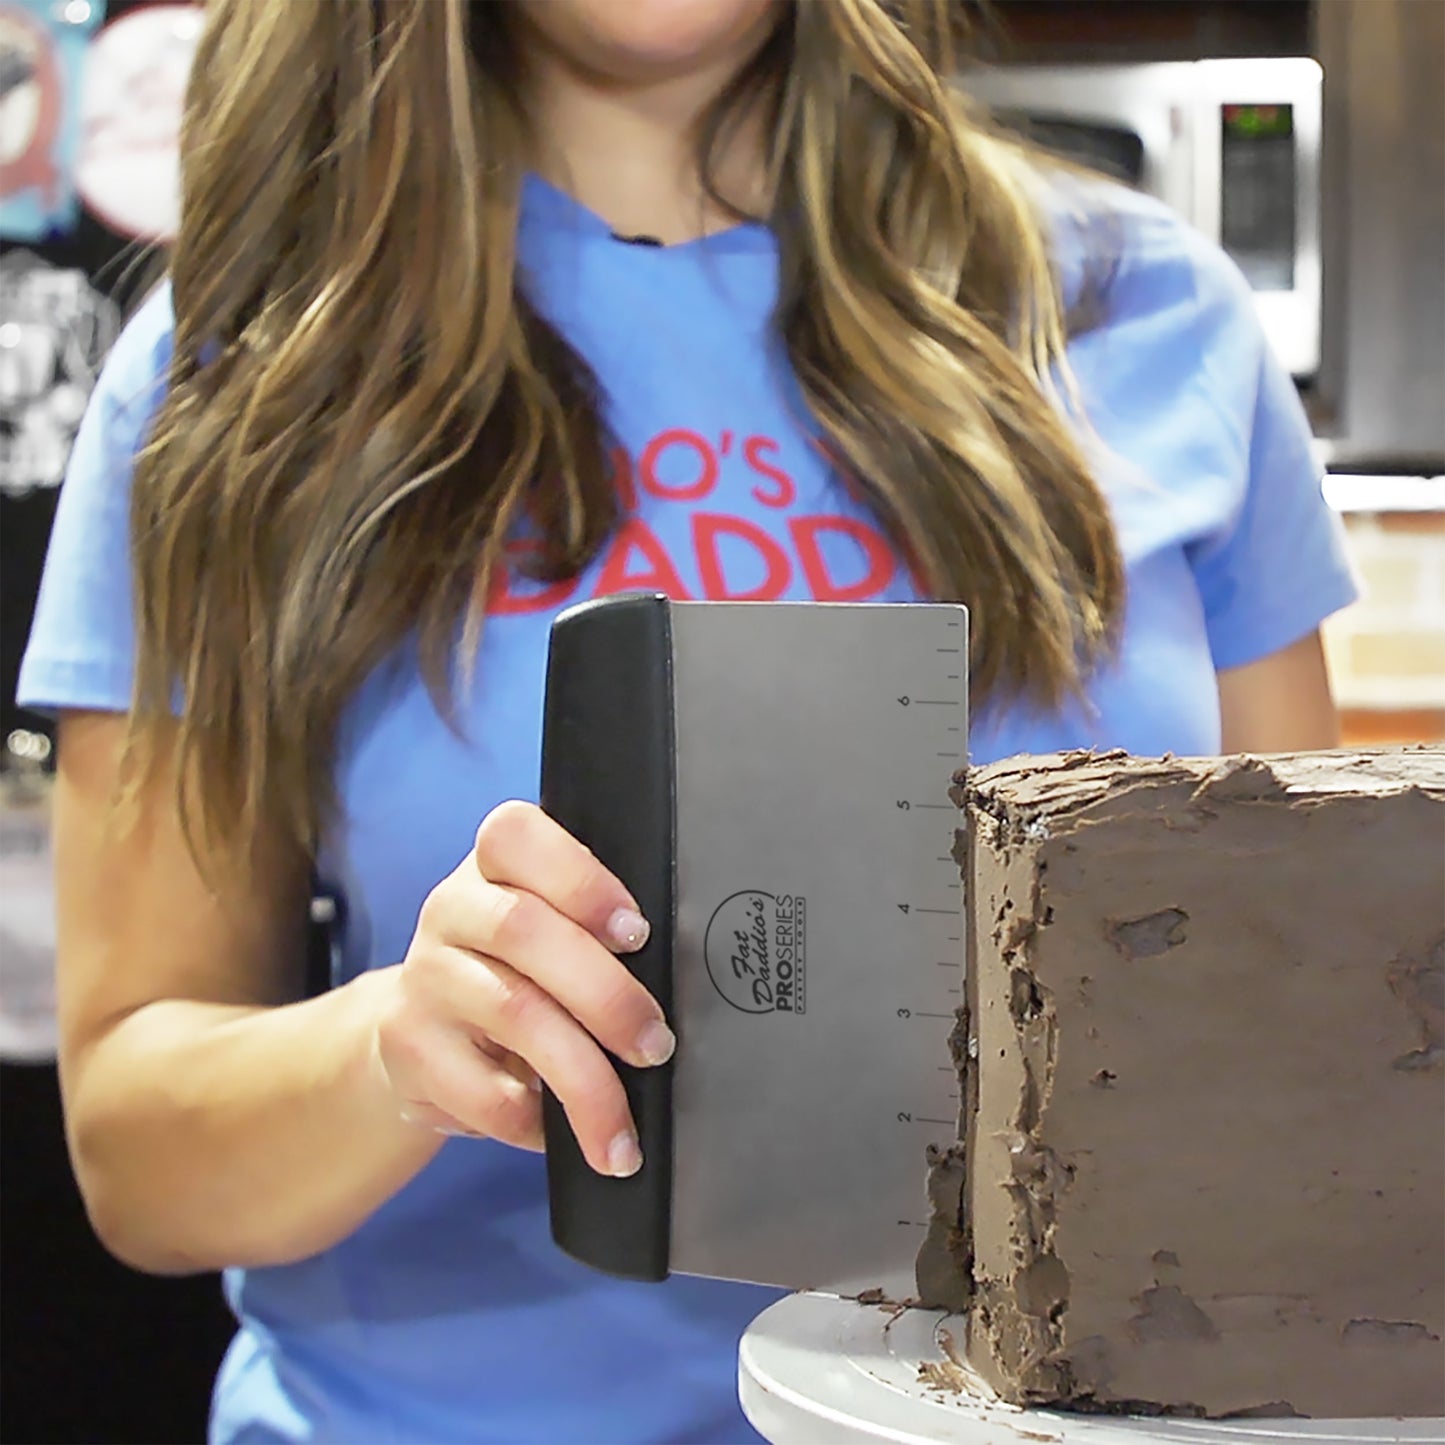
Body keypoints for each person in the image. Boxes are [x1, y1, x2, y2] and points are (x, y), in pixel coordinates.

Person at [18, 1, 1355, 1441]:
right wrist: (398, 1043)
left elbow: (1329, 1015)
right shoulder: (240, 363)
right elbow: (141, 1156)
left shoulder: (1146, 305)